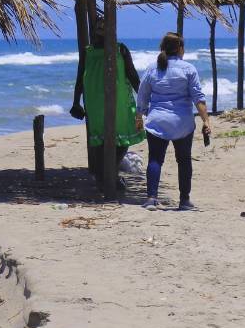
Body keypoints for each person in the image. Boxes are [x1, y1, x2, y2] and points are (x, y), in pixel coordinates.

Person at [135, 31, 211, 210]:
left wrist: (140, 115)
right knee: (184, 160)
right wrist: (206, 120)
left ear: (163, 48)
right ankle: (184, 200)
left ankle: (151, 198)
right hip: (182, 122)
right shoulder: (189, 69)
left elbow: (142, 95)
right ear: (180, 49)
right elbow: (198, 98)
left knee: (155, 159)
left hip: (157, 121)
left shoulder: (152, 68)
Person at [70, 19, 143, 191]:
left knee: (103, 140)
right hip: (116, 101)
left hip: (96, 102)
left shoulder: (92, 52)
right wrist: (143, 97)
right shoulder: (118, 49)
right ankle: (108, 176)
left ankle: (105, 176)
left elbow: (80, 78)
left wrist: (76, 102)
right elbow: (132, 75)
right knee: (121, 138)